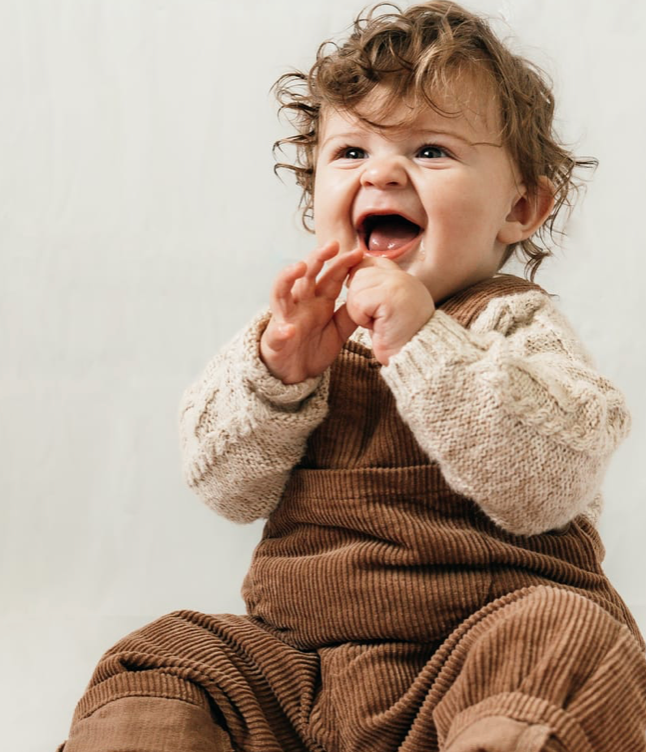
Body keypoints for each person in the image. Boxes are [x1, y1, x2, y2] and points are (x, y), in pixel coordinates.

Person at [58, 2, 646, 751]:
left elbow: (549, 482)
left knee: (569, 645)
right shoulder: (301, 336)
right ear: (315, 200)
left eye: (431, 150)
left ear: (521, 207)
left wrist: (421, 339)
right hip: (301, 670)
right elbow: (222, 485)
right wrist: (277, 375)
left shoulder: (514, 328)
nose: (385, 172)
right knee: (163, 659)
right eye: (351, 153)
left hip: (478, 661)